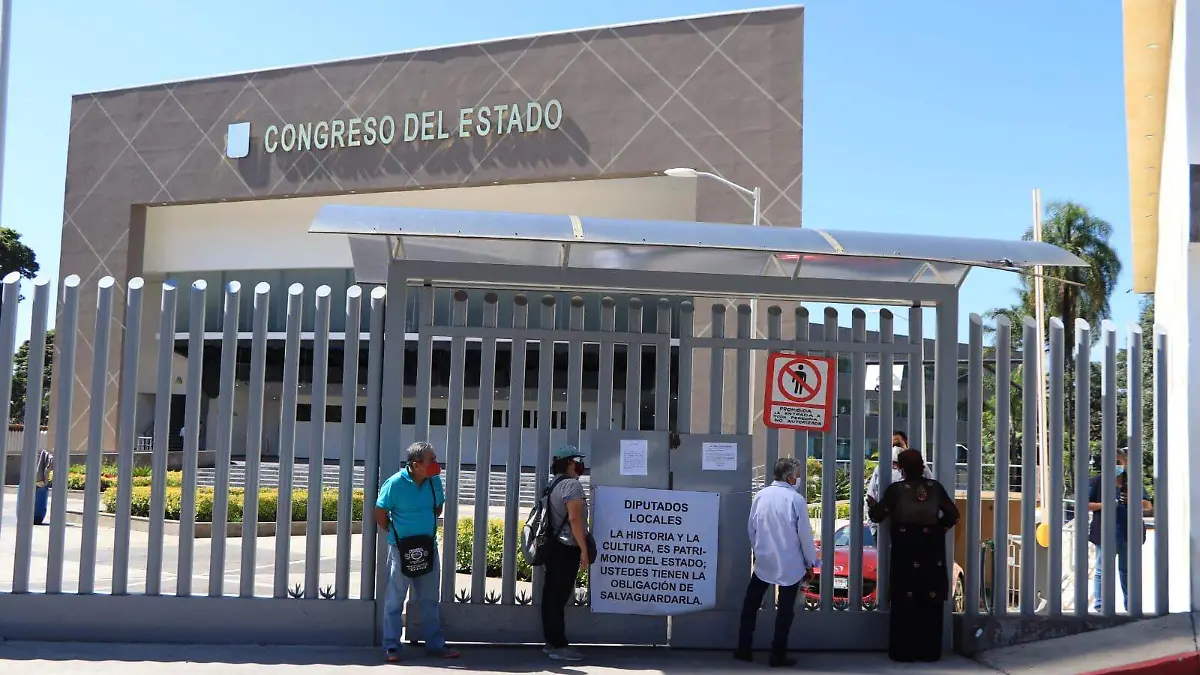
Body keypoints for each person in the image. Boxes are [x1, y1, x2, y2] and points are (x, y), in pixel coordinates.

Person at [867, 448, 960, 663]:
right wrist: (937, 530)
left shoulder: (896, 490)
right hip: (931, 550)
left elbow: (878, 516)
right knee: (930, 598)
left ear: (901, 468)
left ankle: (904, 652)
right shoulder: (935, 488)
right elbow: (953, 515)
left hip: (906, 550)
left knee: (904, 598)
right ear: (922, 466)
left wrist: (872, 504)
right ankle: (930, 652)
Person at [374, 442, 460, 663]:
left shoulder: (434, 481)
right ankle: (392, 646)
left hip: (428, 547)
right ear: (416, 464)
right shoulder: (394, 484)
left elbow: (437, 508)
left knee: (430, 599)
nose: (436, 464)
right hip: (401, 549)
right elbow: (380, 513)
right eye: (431, 460)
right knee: (395, 599)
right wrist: (397, 532)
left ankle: (435, 644)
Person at [735, 456, 818, 668]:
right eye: (797, 475)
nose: (798, 479)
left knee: (751, 605)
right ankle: (777, 654)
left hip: (764, 560)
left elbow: (752, 528)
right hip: (791, 563)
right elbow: (805, 535)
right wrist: (810, 562)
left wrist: (758, 551)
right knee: (785, 610)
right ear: (790, 478)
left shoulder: (760, 496)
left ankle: (744, 648)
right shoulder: (795, 500)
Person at [541, 446, 593, 662]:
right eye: (577, 461)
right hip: (566, 547)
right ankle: (559, 646)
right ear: (570, 463)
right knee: (558, 597)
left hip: (553, 547)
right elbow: (575, 519)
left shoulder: (553, 483)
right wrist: (584, 549)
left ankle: (551, 642)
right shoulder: (572, 485)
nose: (580, 465)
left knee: (551, 596)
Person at [1087, 448, 1152, 613]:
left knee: (1127, 571)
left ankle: (1131, 606)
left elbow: (1148, 505)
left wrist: (1135, 500)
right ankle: (1100, 606)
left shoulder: (1133, 482)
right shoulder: (1097, 482)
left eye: (1119, 461)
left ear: (1125, 462)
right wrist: (1104, 505)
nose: (1116, 465)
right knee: (1102, 570)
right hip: (1105, 532)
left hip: (1128, 532)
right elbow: (1085, 504)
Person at [866, 433, 932, 539]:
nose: (895, 449)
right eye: (892, 446)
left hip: (915, 531)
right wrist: (875, 530)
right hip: (886, 532)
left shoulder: (922, 468)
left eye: (899, 445)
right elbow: (871, 497)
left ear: (906, 445)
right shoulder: (881, 469)